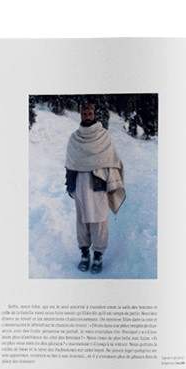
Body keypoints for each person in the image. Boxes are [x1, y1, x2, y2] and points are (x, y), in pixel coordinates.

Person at [65, 103, 126, 274]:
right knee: (82, 221)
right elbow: (70, 163)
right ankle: (85, 254)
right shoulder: (74, 138)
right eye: (84, 114)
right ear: (81, 115)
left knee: (99, 221)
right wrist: (69, 184)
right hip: (79, 185)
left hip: (99, 184)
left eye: (90, 113)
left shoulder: (103, 136)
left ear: (95, 114)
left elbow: (112, 161)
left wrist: (113, 182)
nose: (87, 116)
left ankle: (98, 255)